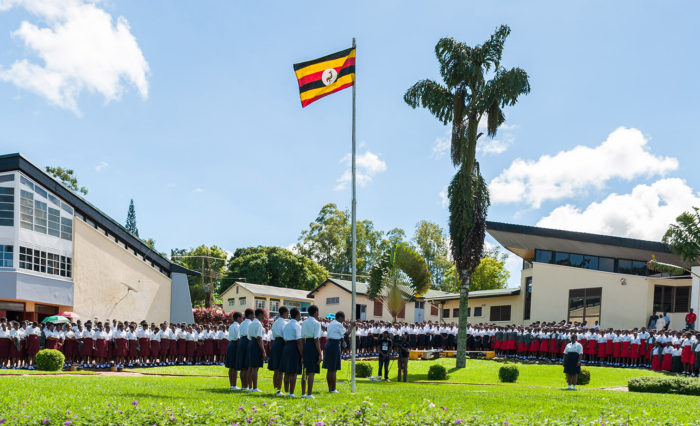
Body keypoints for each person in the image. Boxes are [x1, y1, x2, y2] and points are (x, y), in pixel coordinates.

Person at [322, 311, 351, 393]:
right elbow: (346, 333)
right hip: (334, 344)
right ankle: (333, 389)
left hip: (328, 344)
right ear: (340, 317)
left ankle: (330, 388)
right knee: (333, 368)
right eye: (343, 318)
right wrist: (351, 326)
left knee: (329, 368)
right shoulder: (338, 324)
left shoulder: (331, 323)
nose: (344, 320)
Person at [300, 305, 322, 399]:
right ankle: (309, 394)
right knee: (311, 371)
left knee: (305, 371)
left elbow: (302, 338)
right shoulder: (316, 323)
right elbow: (316, 339)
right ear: (316, 312)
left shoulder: (304, 322)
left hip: (306, 344)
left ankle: (303, 393)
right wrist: (320, 353)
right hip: (313, 345)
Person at [281, 308, 303, 397]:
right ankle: (291, 392)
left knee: (287, 371)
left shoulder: (286, 325)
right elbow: (299, 341)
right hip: (294, 346)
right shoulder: (297, 325)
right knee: (293, 371)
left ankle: (286, 391)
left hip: (286, 346)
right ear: (297, 315)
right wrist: (302, 354)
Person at [268, 306, 289, 395]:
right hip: (281, 343)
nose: (288, 314)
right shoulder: (284, 323)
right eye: (287, 312)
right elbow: (285, 335)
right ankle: (278, 390)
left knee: (276, 369)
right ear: (283, 313)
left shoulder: (275, 322)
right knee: (280, 369)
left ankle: (275, 388)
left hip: (275, 342)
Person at [246, 308, 267, 392]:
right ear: (260, 315)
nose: (264, 317)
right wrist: (263, 351)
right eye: (263, 315)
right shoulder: (258, 324)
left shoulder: (251, 323)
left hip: (251, 343)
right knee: (255, 367)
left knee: (250, 367)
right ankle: (254, 387)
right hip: (256, 344)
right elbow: (259, 338)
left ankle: (250, 387)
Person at [236, 308, 254, 390]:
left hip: (241, 342)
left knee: (242, 367)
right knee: (247, 366)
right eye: (253, 314)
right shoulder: (251, 323)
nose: (254, 316)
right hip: (247, 341)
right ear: (250, 315)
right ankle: (247, 385)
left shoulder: (242, 323)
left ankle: (243, 385)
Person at [225, 312, 242, 390]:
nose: (242, 319)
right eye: (241, 317)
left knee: (231, 366)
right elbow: (238, 338)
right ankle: (234, 385)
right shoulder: (238, 326)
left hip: (230, 344)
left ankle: (231, 384)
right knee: (234, 366)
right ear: (238, 318)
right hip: (235, 344)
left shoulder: (231, 326)